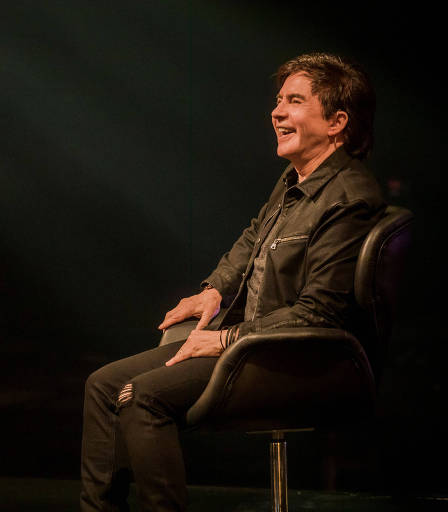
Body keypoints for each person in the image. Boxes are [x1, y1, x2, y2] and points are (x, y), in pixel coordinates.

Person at [80, 52, 385, 511]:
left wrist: (225, 338)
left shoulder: (349, 198)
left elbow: (319, 314)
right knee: (103, 386)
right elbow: (252, 237)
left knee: (142, 398)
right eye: (279, 100)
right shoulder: (295, 179)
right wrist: (214, 289)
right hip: (257, 341)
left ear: (337, 122)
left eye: (295, 101)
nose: (276, 112)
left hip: (301, 357)